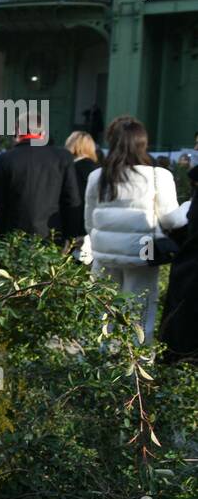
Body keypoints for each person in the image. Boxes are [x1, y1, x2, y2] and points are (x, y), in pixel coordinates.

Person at [84, 115, 188, 343]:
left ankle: (98, 365)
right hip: (145, 250)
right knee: (140, 311)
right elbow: (172, 221)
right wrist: (187, 208)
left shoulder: (97, 177)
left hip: (105, 252)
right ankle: (137, 366)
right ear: (142, 143)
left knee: (103, 310)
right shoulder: (158, 176)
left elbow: (90, 222)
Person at [0, 122, 81, 241]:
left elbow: (0, 202)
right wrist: (71, 235)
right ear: (43, 133)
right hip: (53, 233)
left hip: (15, 233)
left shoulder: (3, 160)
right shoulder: (63, 157)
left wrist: (3, 234)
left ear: (17, 132)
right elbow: (72, 199)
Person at [159, 165, 197, 363]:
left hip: (136, 246)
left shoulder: (100, 174)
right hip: (145, 246)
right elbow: (170, 219)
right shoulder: (158, 175)